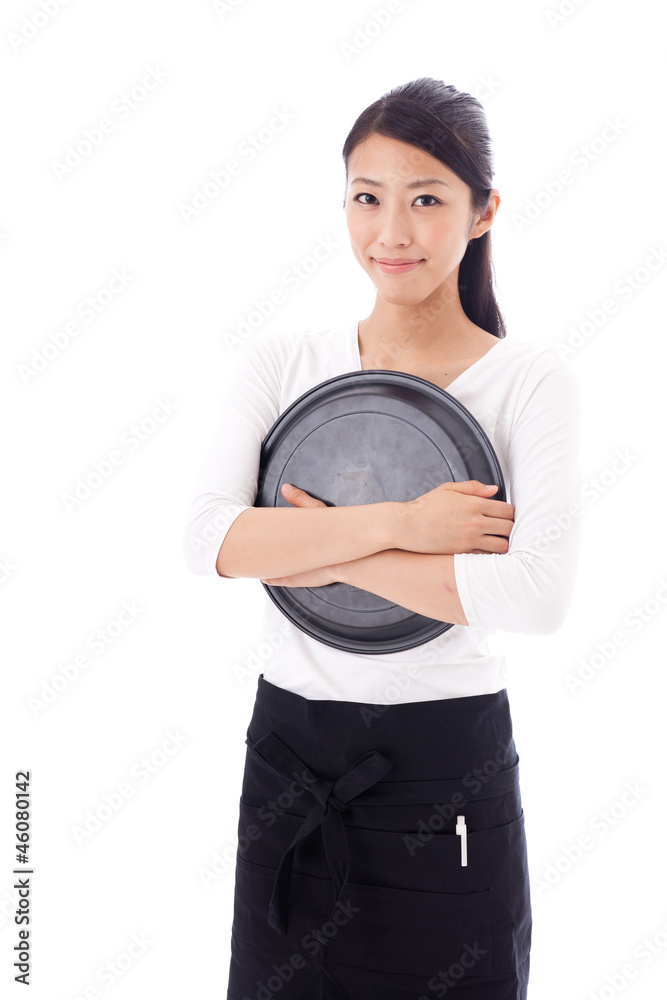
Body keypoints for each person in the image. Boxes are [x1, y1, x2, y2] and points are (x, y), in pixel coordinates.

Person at [183, 76, 582, 1000]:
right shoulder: (281, 363)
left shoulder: (529, 381)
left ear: (483, 213)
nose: (390, 233)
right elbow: (208, 541)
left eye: (426, 200)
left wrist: (303, 541)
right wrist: (412, 527)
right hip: (287, 759)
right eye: (367, 198)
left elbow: (535, 598)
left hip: (445, 776)